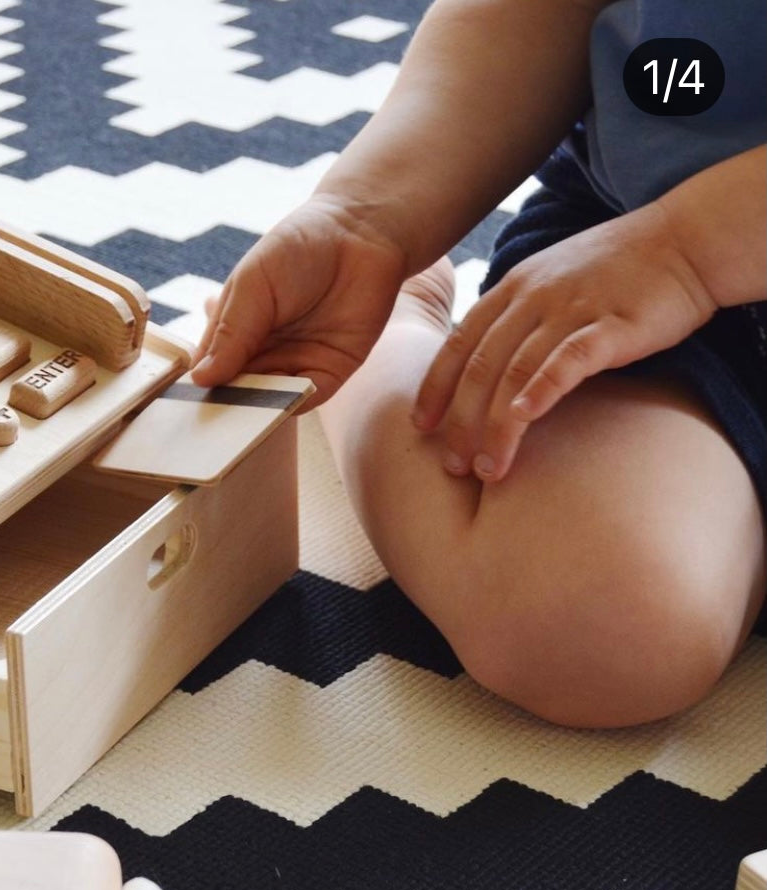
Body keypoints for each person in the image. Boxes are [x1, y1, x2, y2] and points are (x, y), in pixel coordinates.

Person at [189, 0, 766, 729]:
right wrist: (370, 215)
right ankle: (387, 338)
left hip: (680, 251)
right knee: (592, 627)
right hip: (642, 262)